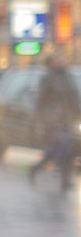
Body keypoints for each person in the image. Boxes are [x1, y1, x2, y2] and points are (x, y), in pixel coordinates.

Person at [29, 58, 80, 191]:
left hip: (65, 119)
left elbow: (73, 96)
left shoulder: (67, 76)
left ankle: (36, 169)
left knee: (58, 151)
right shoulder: (48, 78)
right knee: (64, 150)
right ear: (51, 63)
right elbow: (40, 99)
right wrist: (37, 119)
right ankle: (64, 181)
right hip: (52, 120)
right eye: (56, 60)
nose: (60, 62)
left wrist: (77, 112)